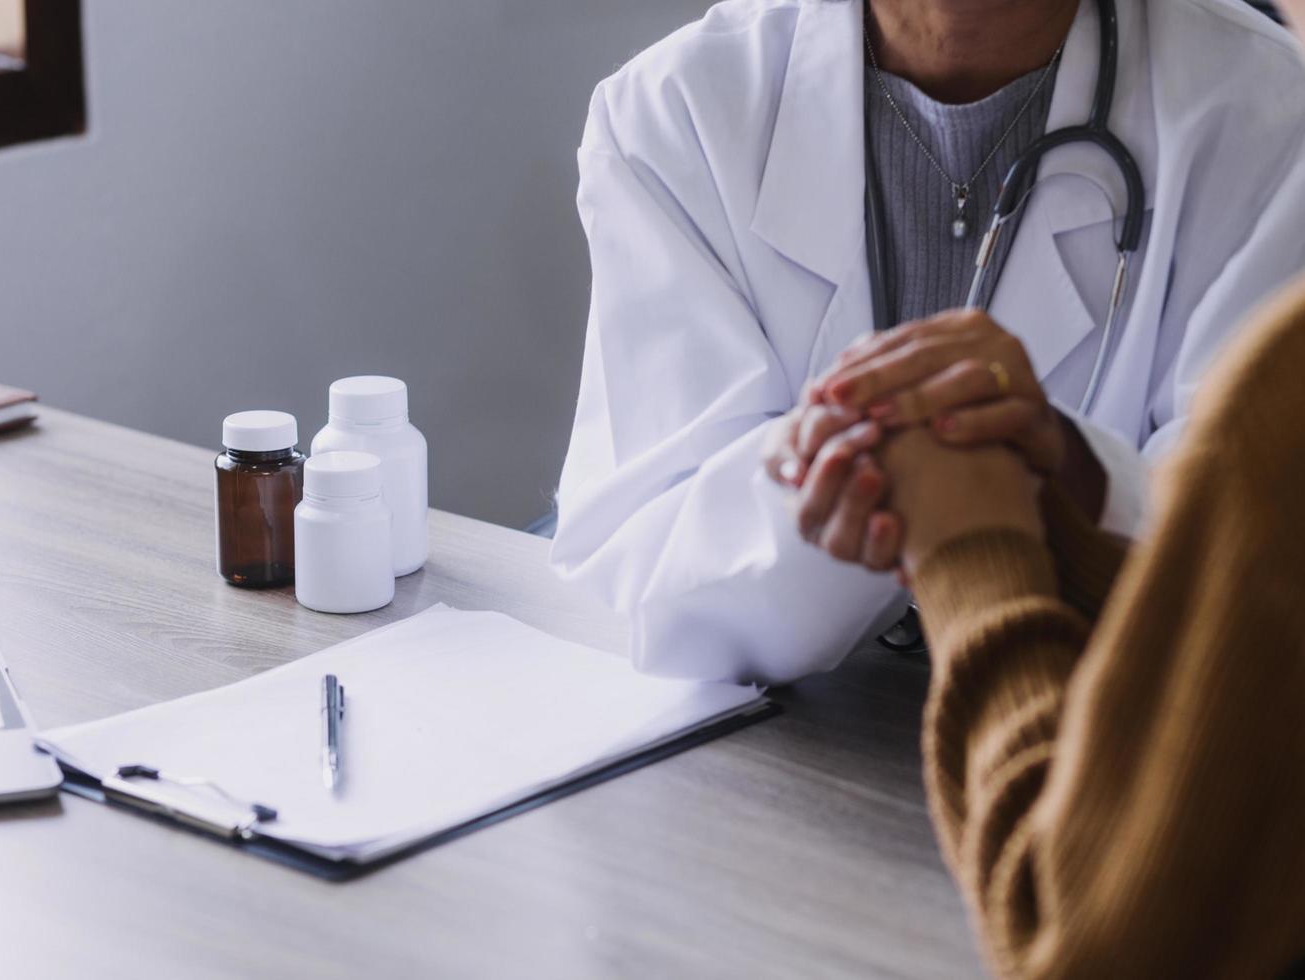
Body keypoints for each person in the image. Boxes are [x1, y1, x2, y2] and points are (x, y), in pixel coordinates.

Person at [550, 0, 1305, 683]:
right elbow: (646, 571)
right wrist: (866, 464)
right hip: (792, 754)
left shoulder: (1275, 119)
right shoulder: (674, 112)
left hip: (1100, 743)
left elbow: (1261, 560)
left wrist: (1070, 473)